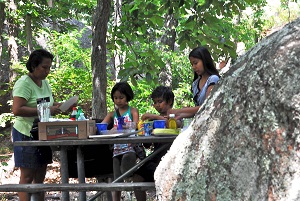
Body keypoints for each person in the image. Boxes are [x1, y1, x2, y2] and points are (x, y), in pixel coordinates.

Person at [12, 49, 62, 201]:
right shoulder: (24, 83)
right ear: (34, 66)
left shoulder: (45, 83)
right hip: (26, 132)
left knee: (40, 176)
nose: (47, 71)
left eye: (49, 67)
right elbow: (17, 109)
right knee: (27, 176)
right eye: (44, 67)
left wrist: (60, 107)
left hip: (42, 132)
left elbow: (47, 104)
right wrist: (46, 110)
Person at [133, 86, 176, 201]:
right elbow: (148, 144)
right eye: (155, 102)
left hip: (172, 161)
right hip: (155, 158)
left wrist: (153, 116)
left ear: (170, 101)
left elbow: (174, 123)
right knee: (137, 177)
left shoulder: (175, 116)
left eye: (160, 101)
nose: (157, 105)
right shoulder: (153, 121)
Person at [101, 81, 139, 201]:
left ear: (127, 96)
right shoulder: (112, 114)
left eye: (121, 97)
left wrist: (126, 125)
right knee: (116, 180)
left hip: (130, 146)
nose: (118, 101)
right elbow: (101, 126)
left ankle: (129, 172)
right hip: (117, 148)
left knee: (128, 161)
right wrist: (110, 130)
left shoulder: (133, 111)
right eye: (116, 98)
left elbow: (136, 125)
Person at [170, 46, 220, 120]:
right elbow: (197, 111)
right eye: (192, 64)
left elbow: (207, 106)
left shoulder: (213, 79)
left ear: (205, 61)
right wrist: (181, 115)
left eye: (195, 63)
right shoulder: (195, 83)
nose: (193, 67)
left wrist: (178, 111)